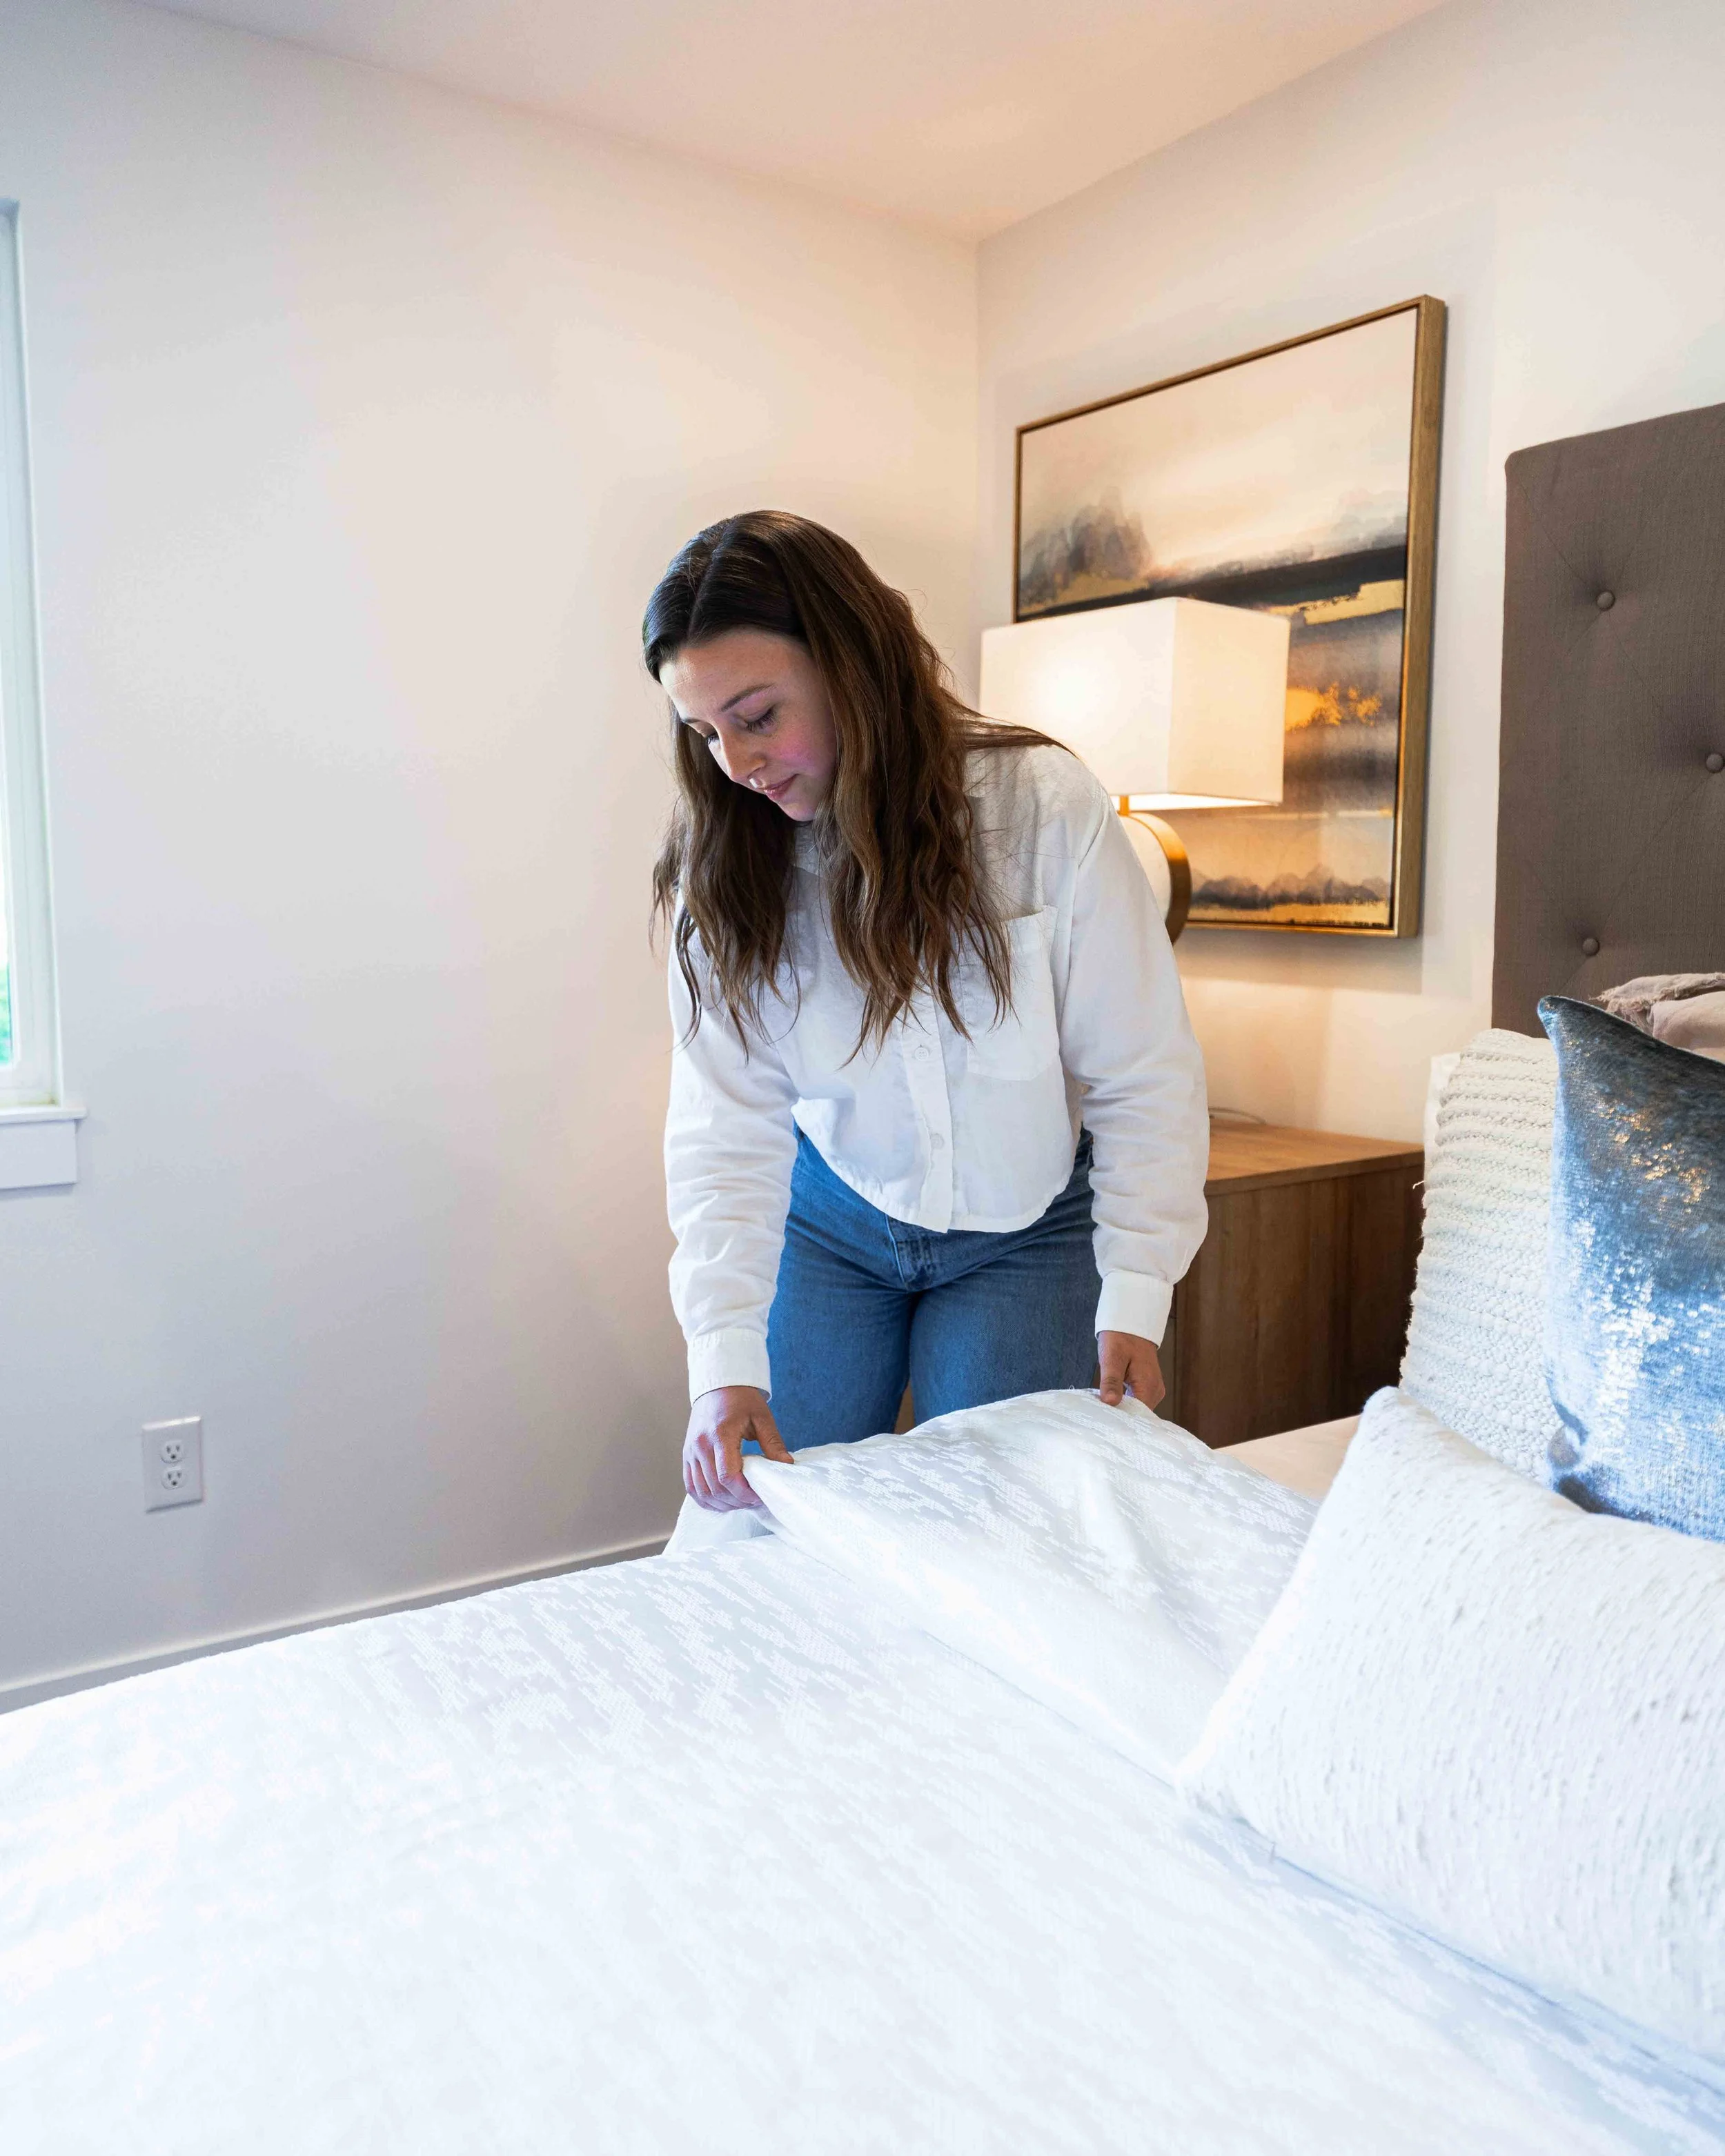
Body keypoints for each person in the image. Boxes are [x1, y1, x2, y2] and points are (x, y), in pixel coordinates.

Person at [647, 511, 1209, 1512]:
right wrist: (722, 1357)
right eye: (705, 732)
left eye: (758, 715)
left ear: (849, 663)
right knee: (762, 1527)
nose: (734, 764)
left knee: (1010, 1538)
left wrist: (1137, 1291)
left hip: (1026, 1234)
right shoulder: (731, 866)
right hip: (826, 1224)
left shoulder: (1041, 809)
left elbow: (1141, 1071)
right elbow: (722, 1126)